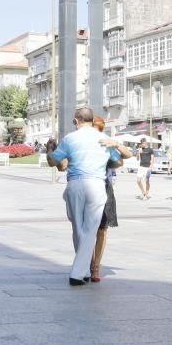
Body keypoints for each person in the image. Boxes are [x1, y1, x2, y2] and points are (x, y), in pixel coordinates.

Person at [46, 108, 120, 286]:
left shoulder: (70, 138)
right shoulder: (102, 139)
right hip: (96, 184)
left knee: (78, 228)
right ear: (92, 120)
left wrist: (49, 149)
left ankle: (78, 273)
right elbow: (117, 162)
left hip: (75, 184)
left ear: (76, 121)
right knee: (90, 229)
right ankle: (83, 270)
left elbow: (54, 162)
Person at [89, 116, 131, 282]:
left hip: (104, 188)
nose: (97, 134)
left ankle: (96, 267)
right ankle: (88, 263)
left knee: (101, 230)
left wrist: (115, 143)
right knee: (88, 230)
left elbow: (127, 156)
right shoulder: (81, 143)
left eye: (99, 130)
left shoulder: (105, 145)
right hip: (88, 187)